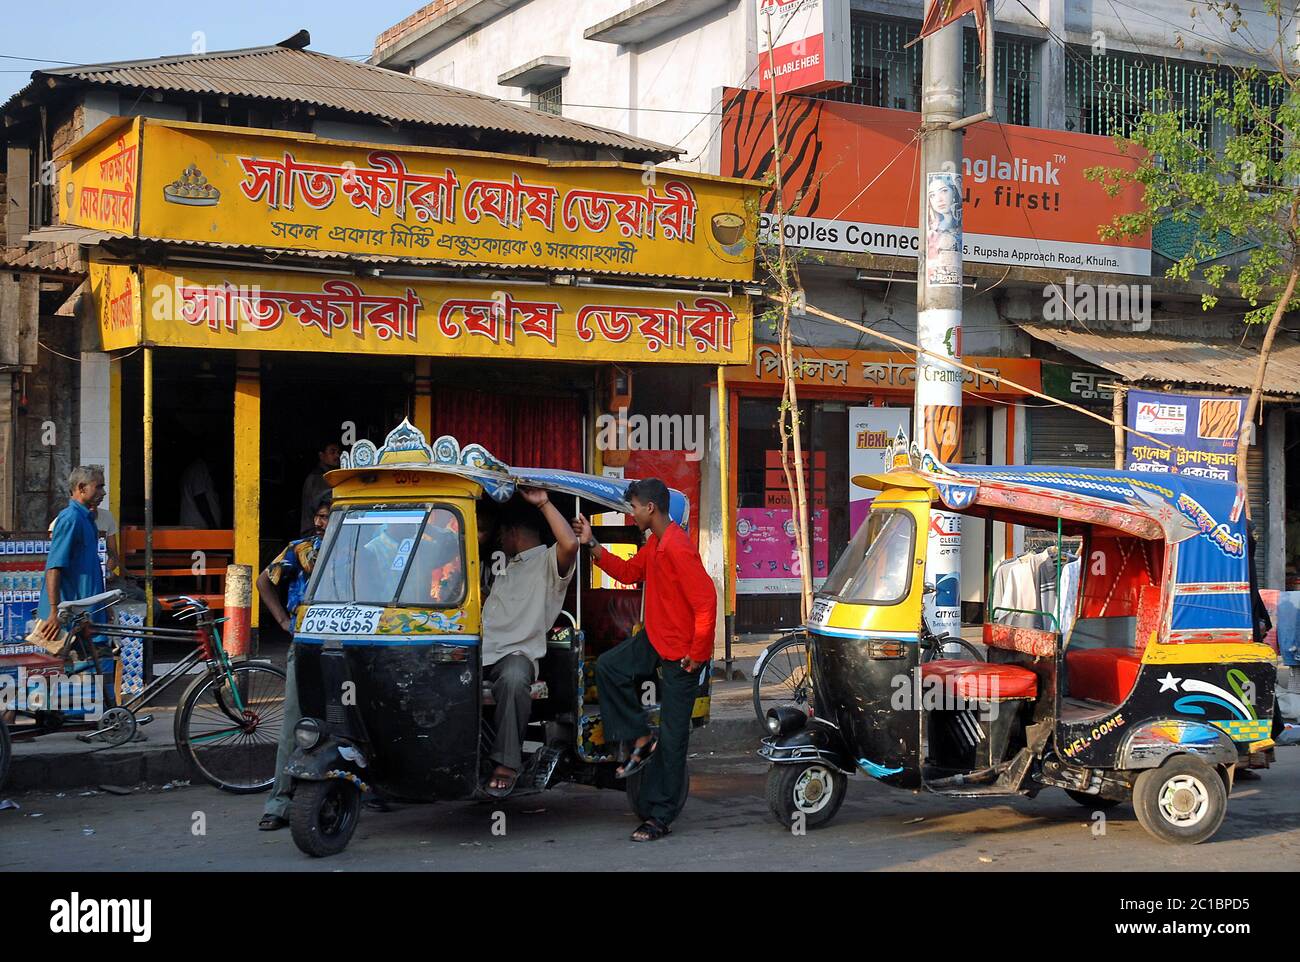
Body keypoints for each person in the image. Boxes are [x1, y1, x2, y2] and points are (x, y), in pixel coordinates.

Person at [572, 478, 716, 842]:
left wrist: (697, 655)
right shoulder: (656, 544)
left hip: (681, 653)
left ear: (650, 508)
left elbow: (706, 602)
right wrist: (591, 542)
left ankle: (660, 816)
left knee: (672, 737)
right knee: (609, 667)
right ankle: (637, 737)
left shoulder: (678, 548)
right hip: (654, 638)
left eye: (633, 507)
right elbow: (627, 573)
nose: (630, 513)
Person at [480, 488, 577, 797]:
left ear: (511, 533)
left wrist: (544, 502)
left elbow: (571, 543)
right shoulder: (505, 567)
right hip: (480, 652)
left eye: (501, 535)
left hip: (515, 655)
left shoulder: (547, 562)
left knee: (513, 679)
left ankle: (507, 765)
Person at [257, 494, 331, 831]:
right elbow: (263, 581)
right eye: (319, 516)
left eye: (328, 516)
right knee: (292, 722)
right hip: (305, 643)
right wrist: (283, 621)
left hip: (353, 643)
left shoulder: (364, 545)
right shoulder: (299, 548)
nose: (321, 522)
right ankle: (280, 801)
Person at [36, 466, 114, 702]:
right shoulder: (71, 519)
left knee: (96, 666)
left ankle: (110, 722)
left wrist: (104, 604)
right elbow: (54, 567)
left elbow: (89, 568)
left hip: (86, 612)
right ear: (81, 488)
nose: (103, 492)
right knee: (56, 669)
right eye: (98, 486)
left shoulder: (88, 518)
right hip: (68, 614)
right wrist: (53, 611)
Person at [301, 440, 341, 534]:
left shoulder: (333, 476)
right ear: (321, 455)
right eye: (332, 452)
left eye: (338, 453)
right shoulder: (316, 478)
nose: (337, 456)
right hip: (316, 532)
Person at [179, 456, 222, 529]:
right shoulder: (199, 468)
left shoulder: (197, 469)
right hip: (198, 528)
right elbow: (200, 497)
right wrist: (212, 525)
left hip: (198, 528)